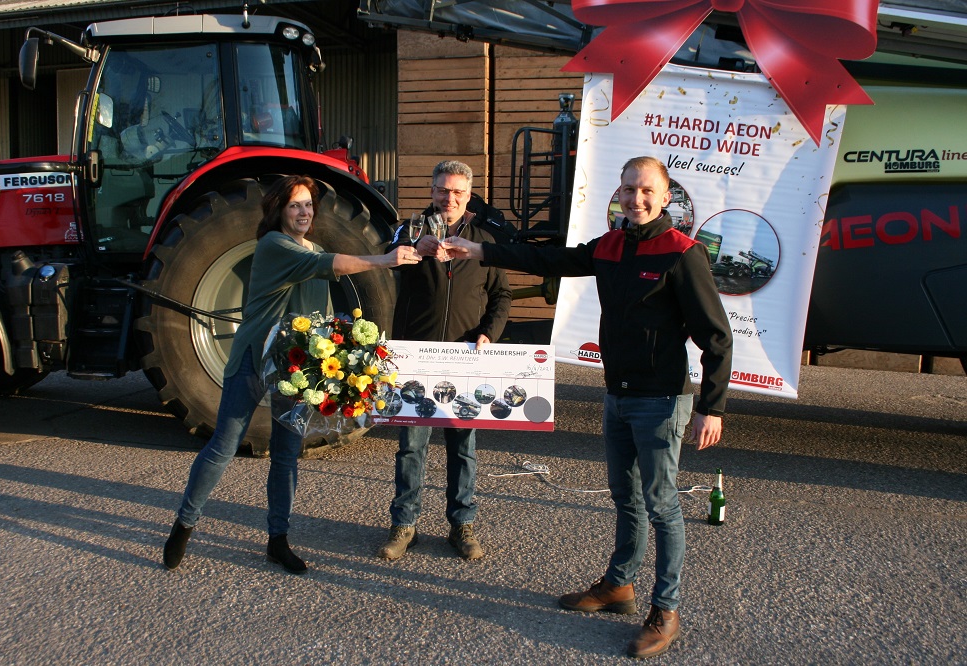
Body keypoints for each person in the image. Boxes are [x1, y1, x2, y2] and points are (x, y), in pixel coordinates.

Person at [445, 156, 732, 658]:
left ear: (667, 198)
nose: (636, 199)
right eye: (627, 190)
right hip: (618, 395)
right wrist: (479, 250)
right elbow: (549, 261)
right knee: (626, 498)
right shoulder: (611, 246)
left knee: (661, 505)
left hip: (662, 400)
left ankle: (666, 609)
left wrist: (712, 407)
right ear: (617, 194)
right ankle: (619, 586)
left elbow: (717, 337)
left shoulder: (682, 254)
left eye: (646, 191)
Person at [163, 175, 421, 574]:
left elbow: (316, 312)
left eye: (307, 205)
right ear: (279, 212)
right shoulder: (273, 246)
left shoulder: (312, 246)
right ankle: (185, 523)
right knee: (225, 444)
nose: (304, 212)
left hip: (295, 367)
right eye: (295, 205)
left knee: (286, 455)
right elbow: (327, 265)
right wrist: (384, 260)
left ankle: (277, 540)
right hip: (254, 357)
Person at [377, 160, 512, 561]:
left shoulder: (485, 239)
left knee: (463, 448)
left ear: (468, 195)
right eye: (441, 190)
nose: (448, 198)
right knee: (411, 447)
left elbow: (501, 296)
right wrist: (413, 249)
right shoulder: (411, 230)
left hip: (466, 359)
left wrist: (490, 332)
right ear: (432, 191)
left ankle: (462, 525)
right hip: (417, 358)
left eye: (457, 192)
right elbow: (388, 252)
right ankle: (404, 524)